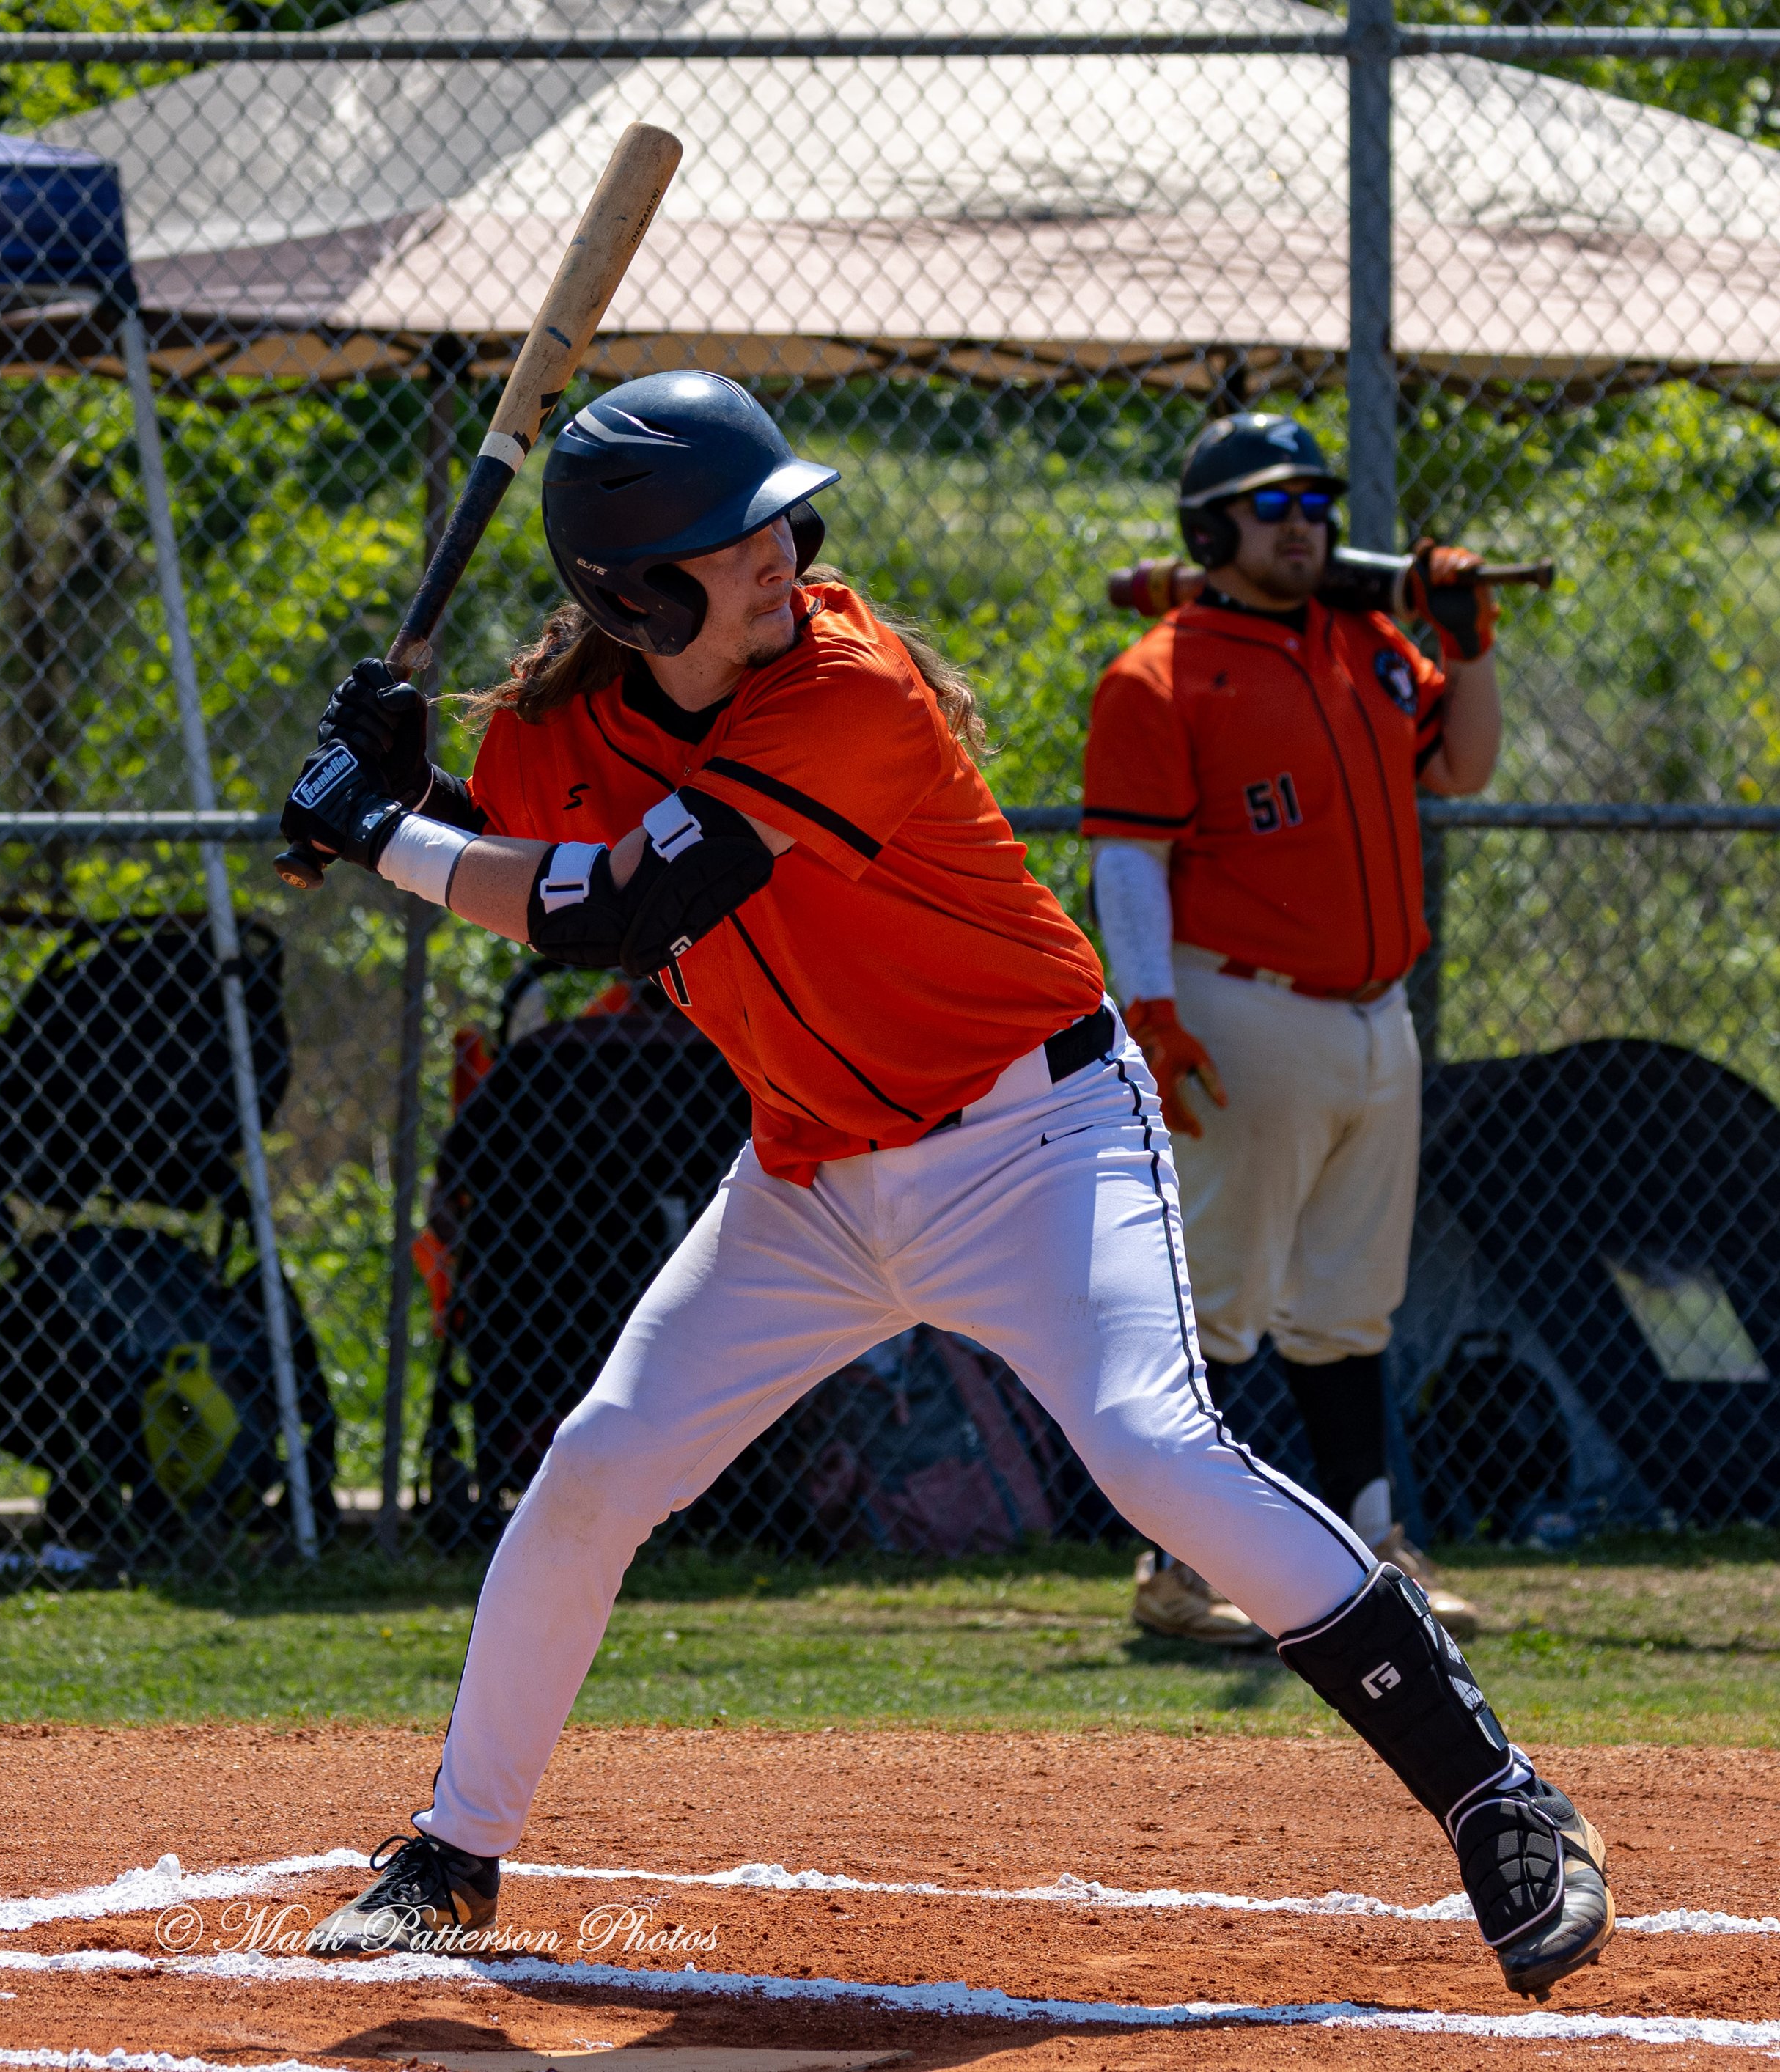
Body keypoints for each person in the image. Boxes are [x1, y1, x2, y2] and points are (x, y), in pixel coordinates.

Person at [279, 372, 1610, 1999]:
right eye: (729, 538)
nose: (780, 551)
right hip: (810, 1180)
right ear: (631, 594)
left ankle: (1496, 1798)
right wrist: (398, 798)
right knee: (597, 1465)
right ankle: (448, 1855)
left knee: (1148, 1447)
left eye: (779, 517)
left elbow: (619, 909)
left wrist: (381, 834)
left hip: (1030, 1142)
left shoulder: (849, 679)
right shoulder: (553, 738)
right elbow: (511, 855)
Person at [1081, 412, 1493, 1649]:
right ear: (1210, 531)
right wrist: (1149, 1010)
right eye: (1273, 506)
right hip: (1237, 1007)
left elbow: (1462, 769)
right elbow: (1129, 862)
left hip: (1377, 1015)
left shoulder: (1365, 640)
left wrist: (1468, 649)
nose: (1305, 521)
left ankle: (1371, 1546)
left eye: (1315, 501)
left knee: (1347, 1308)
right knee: (1212, 1300)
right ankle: (1173, 1565)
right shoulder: (1158, 671)